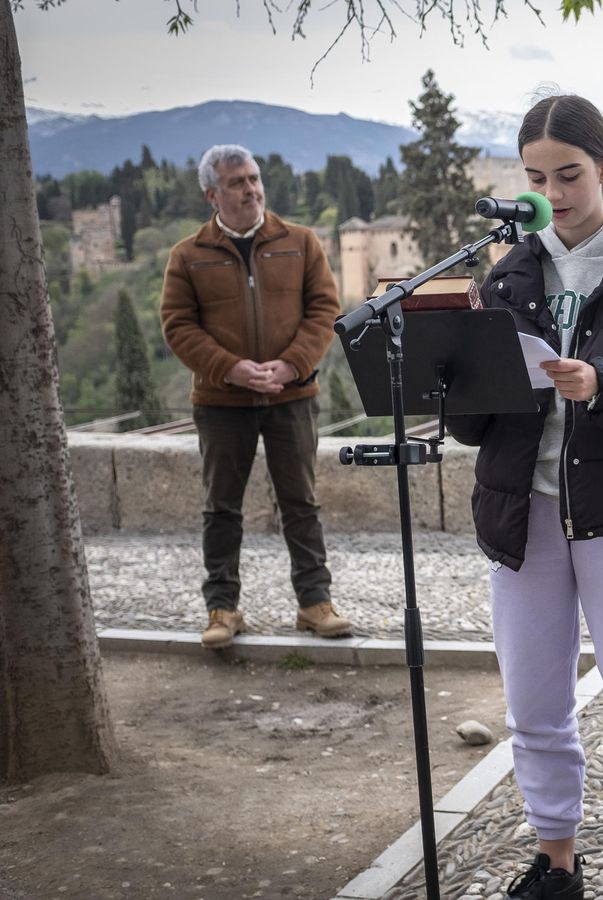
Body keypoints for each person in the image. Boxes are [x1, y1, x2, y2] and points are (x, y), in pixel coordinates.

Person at [444, 91, 603, 900]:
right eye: (536, 178)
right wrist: (455, 369)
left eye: (569, 175)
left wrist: (602, 385)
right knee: (534, 706)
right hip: (524, 518)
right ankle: (556, 862)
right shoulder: (509, 274)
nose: (552, 193)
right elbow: (474, 429)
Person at [160, 144, 352, 650]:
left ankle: (315, 603)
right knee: (221, 507)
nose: (250, 190)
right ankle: (222, 607)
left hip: (292, 395)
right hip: (221, 402)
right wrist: (232, 369)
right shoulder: (187, 255)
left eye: (253, 178)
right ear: (212, 195)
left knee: (301, 503)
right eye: (236, 183)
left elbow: (324, 311)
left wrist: (290, 365)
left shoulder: (301, 242)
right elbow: (178, 326)